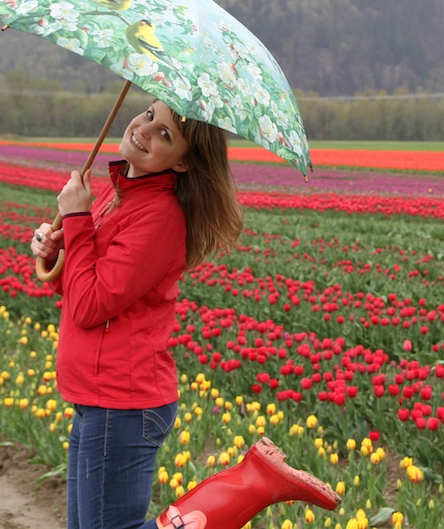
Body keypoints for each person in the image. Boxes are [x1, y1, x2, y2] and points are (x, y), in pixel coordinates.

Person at [31, 98, 339, 529]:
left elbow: (89, 307)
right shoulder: (116, 193)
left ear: (182, 163)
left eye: (165, 135)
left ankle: (249, 485)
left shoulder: (159, 217)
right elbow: (82, 288)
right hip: (95, 394)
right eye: (149, 115)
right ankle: (241, 487)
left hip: (122, 400)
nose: (144, 128)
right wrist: (60, 249)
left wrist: (78, 219)